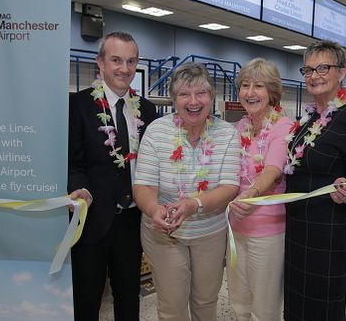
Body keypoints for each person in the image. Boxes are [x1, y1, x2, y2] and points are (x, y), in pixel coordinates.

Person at [133, 62, 241, 320]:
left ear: (211, 97)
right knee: (172, 306)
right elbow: (144, 185)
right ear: (174, 100)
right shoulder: (156, 131)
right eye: (184, 94)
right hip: (165, 232)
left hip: (210, 232)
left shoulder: (227, 133)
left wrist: (193, 205)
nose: (193, 101)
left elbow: (230, 187)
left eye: (201, 93)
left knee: (206, 301)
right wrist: (154, 209)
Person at [68, 32, 157, 321]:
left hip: (131, 222)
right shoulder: (79, 105)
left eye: (131, 61)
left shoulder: (146, 109)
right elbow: (73, 162)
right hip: (92, 219)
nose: (124, 68)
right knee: (86, 299)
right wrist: (79, 189)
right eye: (116, 60)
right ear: (101, 63)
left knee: (129, 299)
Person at [283, 40, 346, 321]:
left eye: (323, 67)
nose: (314, 75)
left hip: (329, 232)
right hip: (298, 227)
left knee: (323, 308)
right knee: (297, 304)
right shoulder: (310, 117)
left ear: (342, 73)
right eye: (308, 69)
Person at [227, 58, 293, 321]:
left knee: (264, 309)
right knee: (238, 302)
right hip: (236, 227)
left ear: (272, 93)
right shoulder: (242, 125)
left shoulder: (282, 126)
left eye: (259, 86)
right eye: (245, 85)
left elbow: (273, 170)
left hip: (267, 231)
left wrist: (250, 195)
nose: (250, 93)